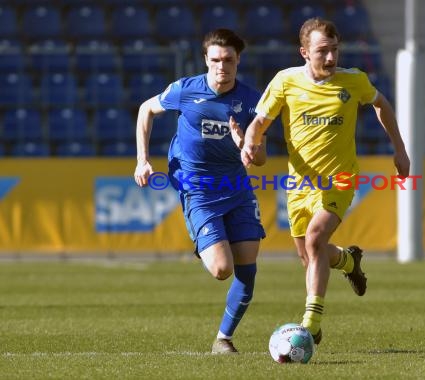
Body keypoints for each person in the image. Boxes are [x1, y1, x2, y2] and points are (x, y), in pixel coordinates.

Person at [241, 18, 410, 345]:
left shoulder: (353, 81)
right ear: (304, 52)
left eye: (334, 50)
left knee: (316, 239)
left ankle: (310, 324)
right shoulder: (285, 82)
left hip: (340, 179)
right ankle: (348, 260)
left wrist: (400, 149)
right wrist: (250, 143)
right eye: (322, 52)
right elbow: (260, 121)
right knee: (309, 255)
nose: (331, 58)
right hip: (299, 184)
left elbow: (381, 104)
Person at [134, 28, 267, 354]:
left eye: (229, 61)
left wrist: (245, 146)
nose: (223, 67)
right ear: (206, 60)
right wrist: (142, 160)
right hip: (196, 185)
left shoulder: (252, 102)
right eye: (216, 60)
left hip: (236, 186)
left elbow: (261, 159)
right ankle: (207, 237)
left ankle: (223, 339)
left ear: (238, 61)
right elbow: (145, 110)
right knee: (223, 269)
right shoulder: (185, 90)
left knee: (247, 268)